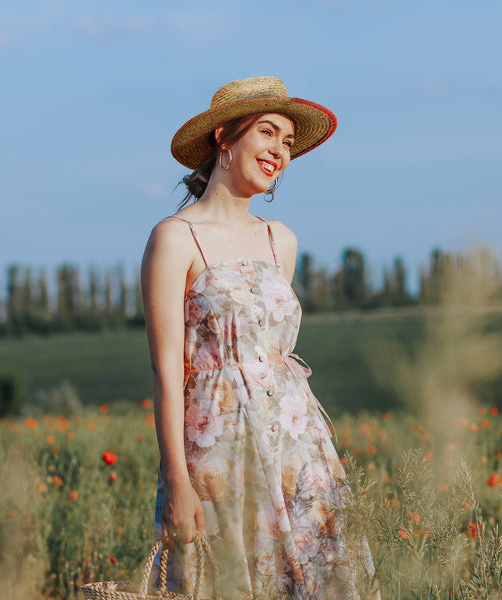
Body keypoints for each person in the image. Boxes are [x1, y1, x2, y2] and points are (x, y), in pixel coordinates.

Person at [141, 76, 378, 599]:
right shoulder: (174, 238)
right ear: (225, 137)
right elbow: (165, 370)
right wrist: (176, 480)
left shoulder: (281, 241)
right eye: (267, 133)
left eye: (288, 142)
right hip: (217, 453)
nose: (279, 151)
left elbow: (273, 357)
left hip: (298, 447)